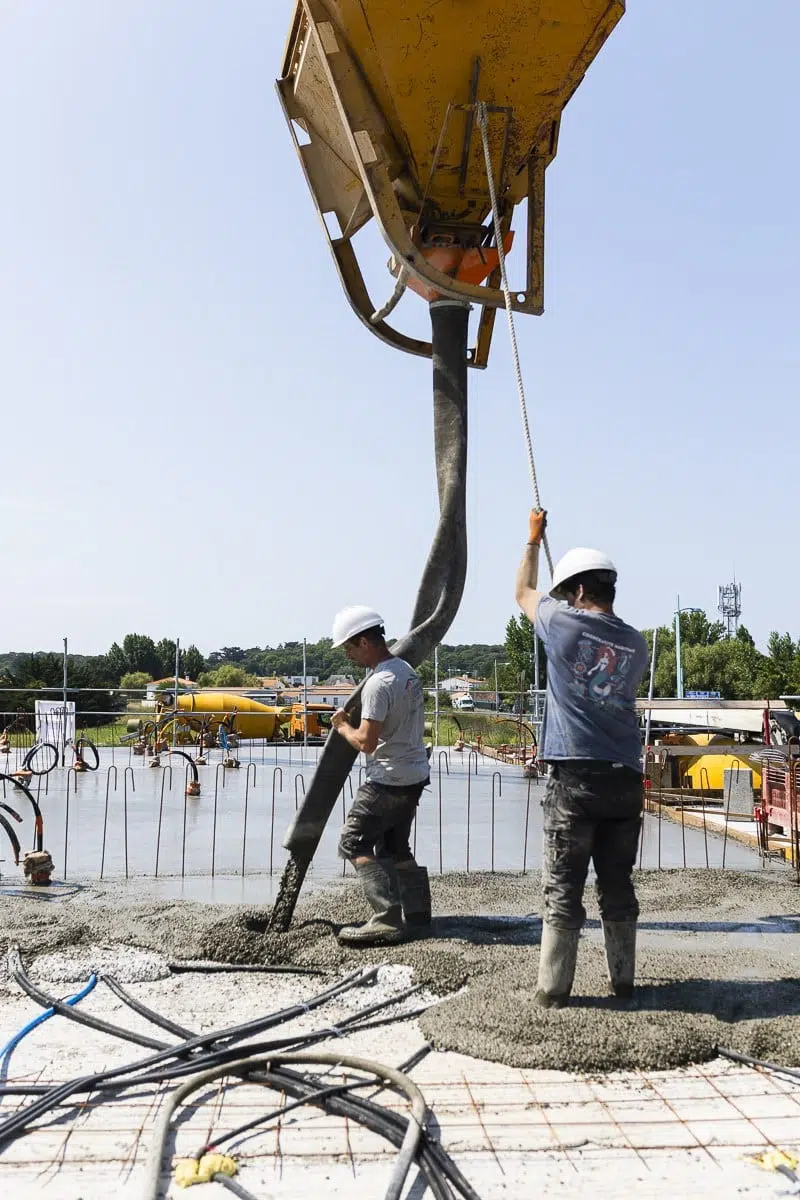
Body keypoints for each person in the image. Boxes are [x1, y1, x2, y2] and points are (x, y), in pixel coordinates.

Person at [515, 511, 649, 1006]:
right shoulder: (636, 643)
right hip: (626, 778)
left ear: (574, 591)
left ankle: (552, 992)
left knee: (563, 885)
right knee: (617, 882)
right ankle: (624, 984)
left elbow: (524, 593)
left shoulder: (561, 623)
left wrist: (532, 540)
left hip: (575, 775)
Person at [329, 605, 432, 946]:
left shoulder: (378, 683)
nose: (349, 655)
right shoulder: (406, 671)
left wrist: (342, 725)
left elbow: (367, 742)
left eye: (349, 647)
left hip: (388, 778)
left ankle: (387, 918)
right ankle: (418, 915)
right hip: (414, 774)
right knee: (394, 845)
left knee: (353, 842)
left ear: (364, 642)